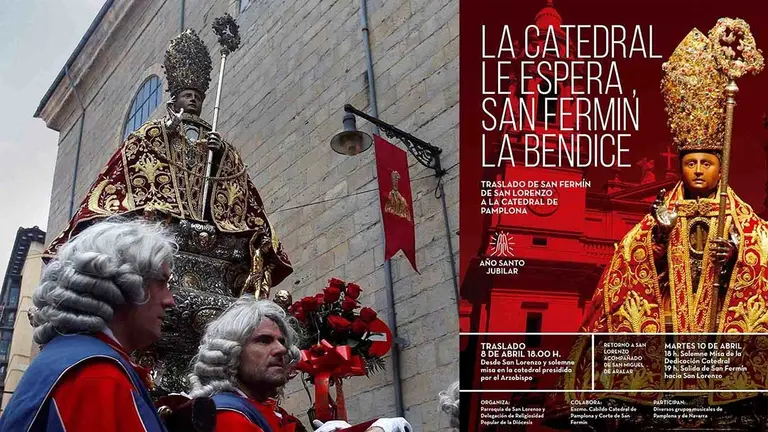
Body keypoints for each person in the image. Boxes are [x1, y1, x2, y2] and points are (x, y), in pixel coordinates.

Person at [43, 28, 293, 393]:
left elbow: (244, 200)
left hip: (211, 257)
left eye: (196, 96)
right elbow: (125, 182)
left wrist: (220, 155)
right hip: (172, 237)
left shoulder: (217, 145)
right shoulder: (150, 137)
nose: (191, 102)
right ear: (174, 98)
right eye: (186, 96)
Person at [546, 21, 768, 430]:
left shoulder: (743, 218)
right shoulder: (656, 217)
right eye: (691, 163)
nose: (698, 171)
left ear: (720, 168)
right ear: (681, 167)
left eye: (707, 163)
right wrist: (659, 239)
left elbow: (761, 252)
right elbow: (627, 271)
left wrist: (737, 254)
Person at [0, 218, 176, 431]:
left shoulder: (70, 361)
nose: (170, 301)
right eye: (161, 282)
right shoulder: (97, 377)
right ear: (125, 282)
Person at [188, 298, 413, 432]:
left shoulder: (270, 413)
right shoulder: (226, 415)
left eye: (282, 342)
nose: (281, 349)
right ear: (230, 352)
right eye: (264, 340)